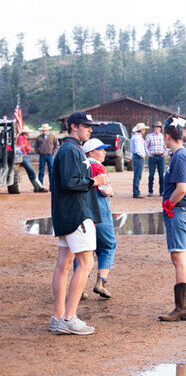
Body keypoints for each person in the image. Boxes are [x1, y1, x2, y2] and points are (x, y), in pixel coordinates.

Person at [49, 111, 108, 335]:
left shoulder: (71, 149)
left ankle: (58, 317)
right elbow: (70, 182)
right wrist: (95, 180)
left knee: (64, 264)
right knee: (85, 264)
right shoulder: (70, 149)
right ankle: (68, 317)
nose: (90, 130)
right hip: (76, 214)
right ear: (73, 126)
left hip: (68, 214)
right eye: (86, 126)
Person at [158, 116, 186, 322]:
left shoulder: (180, 157)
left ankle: (182, 307)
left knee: (179, 259)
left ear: (167, 136)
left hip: (180, 211)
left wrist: (168, 204)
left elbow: (181, 188)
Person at [81, 139, 117, 299]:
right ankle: (101, 282)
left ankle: (80, 286)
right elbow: (104, 189)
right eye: (100, 149)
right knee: (108, 245)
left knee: (84, 249)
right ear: (91, 152)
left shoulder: (81, 165)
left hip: (84, 210)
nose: (104, 152)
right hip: (100, 209)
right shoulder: (97, 166)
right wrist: (110, 191)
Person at [16, 125, 46, 192]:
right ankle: (40, 186)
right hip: (23, 155)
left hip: (24, 155)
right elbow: (23, 147)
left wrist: (25, 146)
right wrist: (25, 147)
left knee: (30, 171)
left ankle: (37, 187)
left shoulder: (24, 138)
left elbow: (28, 147)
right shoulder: (21, 138)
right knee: (31, 170)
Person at [34, 123, 59, 191]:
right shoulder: (39, 137)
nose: (44, 131)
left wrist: (53, 152)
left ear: (48, 130)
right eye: (43, 130)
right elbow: (35, 146)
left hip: (50, 155)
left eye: (45, 130)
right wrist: (38, 151)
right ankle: (40, 186)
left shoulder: (52, 136)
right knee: (41, 171)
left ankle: (52, 187)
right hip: (42, 155)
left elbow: (57, 145)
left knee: (51, 171)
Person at [145, 121, 166, 196]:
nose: (156, 128)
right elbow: (146, 146)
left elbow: (166, 146)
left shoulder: (163, 136)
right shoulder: (149, 136)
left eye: (158, 127)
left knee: (161, 175)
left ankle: (162, 191)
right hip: (152, 157)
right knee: (151, 175)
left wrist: (164, 153)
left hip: (161, 157)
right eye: (155, 127)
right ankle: (150, 191)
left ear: (160, 128)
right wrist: (149, 154)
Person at [130, 123, 149, 198]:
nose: (144, 131)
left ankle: (136, 191)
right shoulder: (137, 138)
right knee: (138, 175)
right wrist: (142, 155)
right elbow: (138, 149)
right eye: (143, 129)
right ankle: (136, 192)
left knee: (137, 175)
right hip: (138, 157)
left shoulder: (135, 137)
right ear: (141, 130)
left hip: (136, 157)